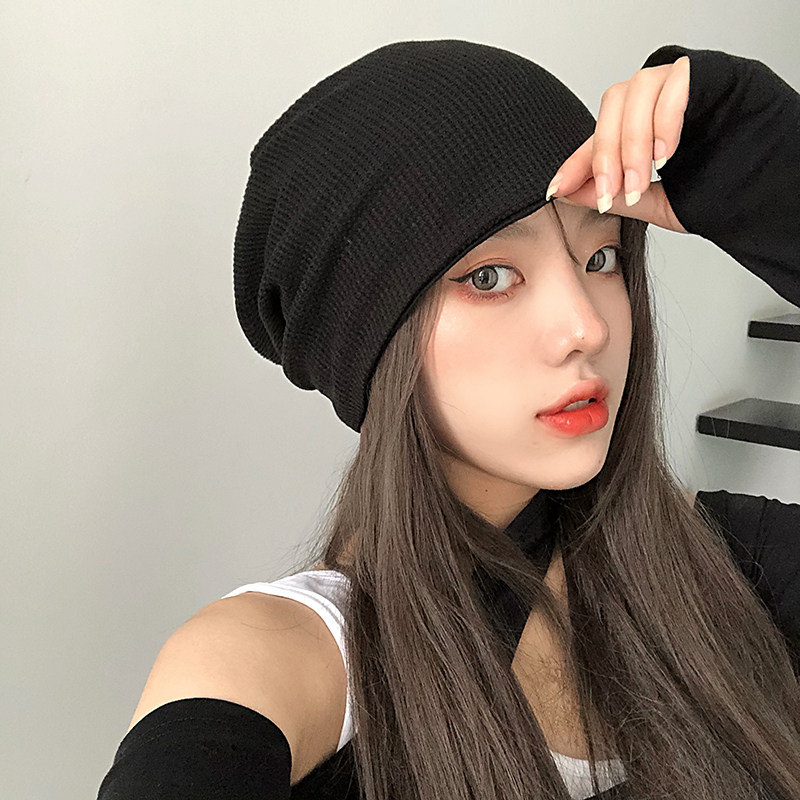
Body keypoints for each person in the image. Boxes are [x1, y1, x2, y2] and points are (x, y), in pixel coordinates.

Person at [96, 40, 800, 800]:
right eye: (490, 277)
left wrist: (775, 179)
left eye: (600, 258)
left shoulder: (735, 567)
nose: (586, 328)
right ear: (368, 342)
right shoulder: (287, 662)